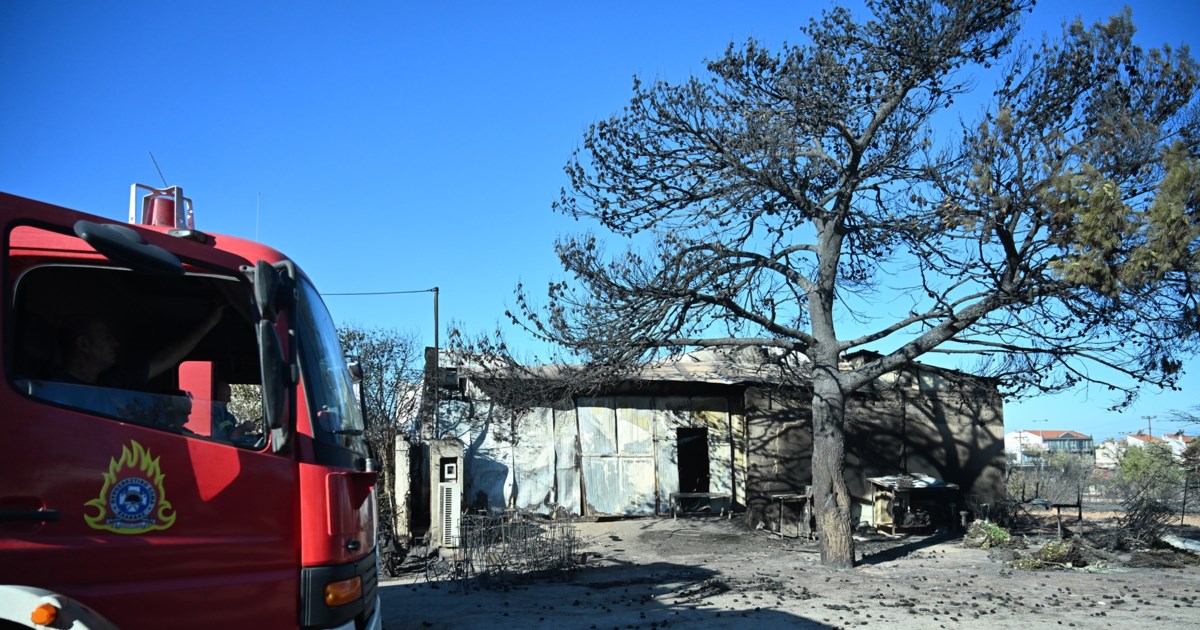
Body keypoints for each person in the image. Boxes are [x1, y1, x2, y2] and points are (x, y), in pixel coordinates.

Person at [55, 306, 225, 388]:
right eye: (107, 338)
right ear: (83, 344)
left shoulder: (113, 381)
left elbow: (165, 360)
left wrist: (210, 323)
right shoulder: (55, 393)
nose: (116, 343)